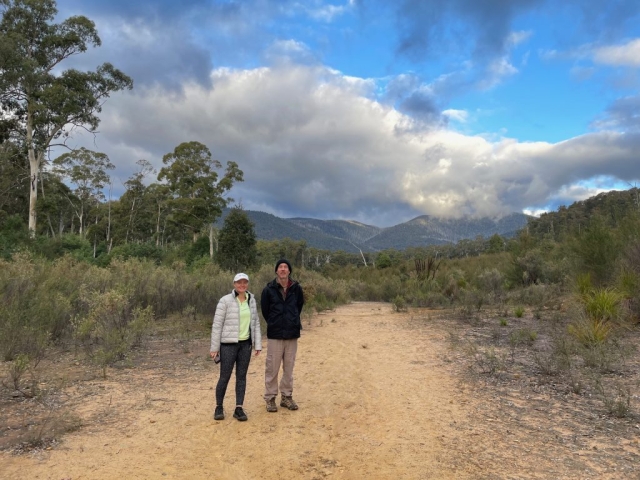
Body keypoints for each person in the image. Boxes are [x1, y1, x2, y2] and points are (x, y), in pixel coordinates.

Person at [210, 272, 262, 421]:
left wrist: (257, 344)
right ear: (234, 284)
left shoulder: (251, 300)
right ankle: (219, 406)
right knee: (224, 376)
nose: (242, 285)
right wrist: (214, 348)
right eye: (239, 282)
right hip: (228, 345)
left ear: (247, 284)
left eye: (245, 282)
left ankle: (239, 408)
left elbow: (255, 322)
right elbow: (217, 325)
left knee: (241, 377)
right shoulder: (225, 301)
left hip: (245, 344)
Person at [261, 259, 304, 412]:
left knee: (289, 367)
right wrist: (275, 323)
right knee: (272, 367)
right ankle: (270, 398)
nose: (283, 269)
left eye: (286, 267)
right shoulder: (268, 289)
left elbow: (298, 307)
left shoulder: (296, 289)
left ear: (289, 271)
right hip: (275, 334)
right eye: (280, 267)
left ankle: (286, 396)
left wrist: (291, 321)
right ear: (276, 271)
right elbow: (265, 311)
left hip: (292, 334)